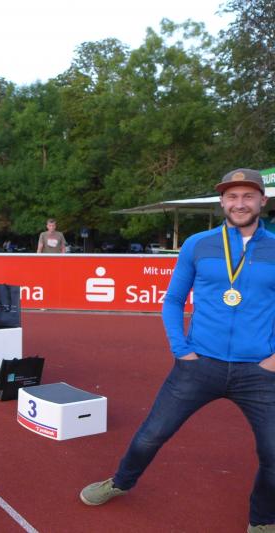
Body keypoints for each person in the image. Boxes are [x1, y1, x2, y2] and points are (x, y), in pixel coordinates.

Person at [79, 168, 275, 533]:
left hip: (259, 372)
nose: (240, 203)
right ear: (222, 202)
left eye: (248, 196)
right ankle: (121, 481)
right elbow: (172, 301)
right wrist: (181, 349)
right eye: (232, 196)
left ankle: (263, 519)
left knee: (273, 454)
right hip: (198, 365)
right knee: (151, 434)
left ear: (262, 200)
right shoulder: (198, 244)